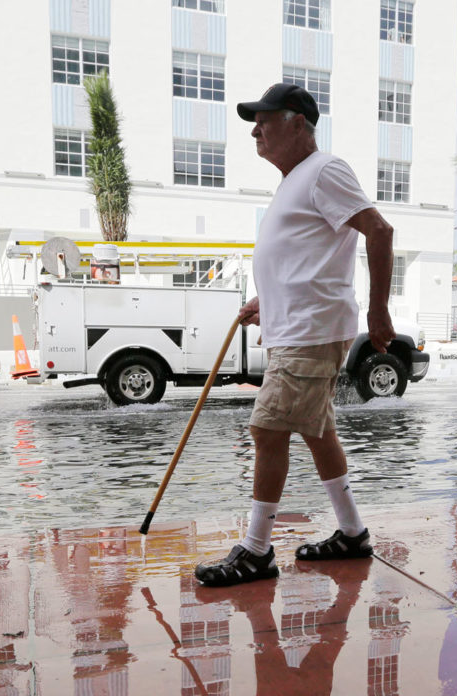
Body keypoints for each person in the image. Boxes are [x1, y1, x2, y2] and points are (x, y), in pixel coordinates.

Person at [194, 83, 396, 587]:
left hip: (310, 333)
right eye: (253, 122)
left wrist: (378, 311)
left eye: (265, 119)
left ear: (298, 122)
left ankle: (257, 551)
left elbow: (379, 230)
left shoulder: (323, 170)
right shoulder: (295, 180)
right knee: (316, 430)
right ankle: (352, 533)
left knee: (267, 430)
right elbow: (307, 260)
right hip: (296, 328)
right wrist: (270, 300)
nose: (256, 130)